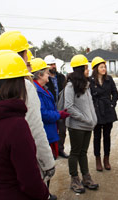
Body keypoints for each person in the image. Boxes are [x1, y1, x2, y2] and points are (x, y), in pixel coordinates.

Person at [0, 31, 56, 200]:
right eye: (25, 55)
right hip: (24, 166)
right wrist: (48, 164)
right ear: (20, 55)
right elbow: (35, 129)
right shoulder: (25, 87)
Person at [31, 57, 70, 196]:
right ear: (40, 74)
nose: (49, 74)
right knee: (44, 167)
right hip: (45, 133)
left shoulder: (42, 88)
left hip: (50, 131)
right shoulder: (36, 91)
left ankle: (46, 192)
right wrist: (58, 115)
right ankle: (44, 194)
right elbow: (42, 114)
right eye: (47, 72)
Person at [64, 54, 99, 193]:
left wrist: (93, 119)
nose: (88, 70)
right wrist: (85, 118)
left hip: (87, 126)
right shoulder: (70, 86)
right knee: (75, 152)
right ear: (80, 69)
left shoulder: (86, 84)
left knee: (83, 152)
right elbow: (69, 107)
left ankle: (86, 177)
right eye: (86, 68)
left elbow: (90, 105)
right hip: (76, 126)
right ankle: (74, 179)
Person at [89, 56, 118, 171]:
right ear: (96, 68)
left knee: (107, 136)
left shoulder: (109, 79)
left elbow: (115, 93)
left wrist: (112, 104)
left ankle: (106, 159)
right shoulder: (90, 80)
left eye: (104, 67)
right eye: (101, 67)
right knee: (97, 136)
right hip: (96, 110)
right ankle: (98, 159)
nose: (104, 69)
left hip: (108, 110)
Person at [44, 55, 69, 159]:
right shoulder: (44, 79)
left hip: (61, 108)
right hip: (50, 109)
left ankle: (60, 149)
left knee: (62, 131)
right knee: (51, 131)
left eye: (53, 64)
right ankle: (51, 152)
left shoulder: (61, 77)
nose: (52, 66)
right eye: (50, 65)